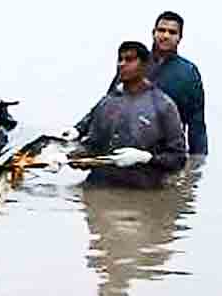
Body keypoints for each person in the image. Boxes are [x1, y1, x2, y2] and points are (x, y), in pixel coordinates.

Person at [69, 11, 207, 165]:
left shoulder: (188, 74)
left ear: (179, 38)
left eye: (172, 32)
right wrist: (78, 130)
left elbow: (197, 123)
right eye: (161, 30)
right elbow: (107, 103)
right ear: (153, 33)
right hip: (119, 148)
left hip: (157, 153)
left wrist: (197, 165)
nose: (165, 35)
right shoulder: (132, 63)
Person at [73, 41, 186, 189]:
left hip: (142, 192)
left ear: (145, 65)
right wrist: (72, 157)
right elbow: (92, 146)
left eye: (129, 60)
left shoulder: (163, 106)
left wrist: (146, 158)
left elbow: (178, 159)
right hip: (99, 188)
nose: (122, 64)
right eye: (120, 59)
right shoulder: (107, 103)